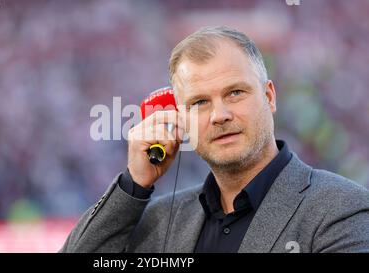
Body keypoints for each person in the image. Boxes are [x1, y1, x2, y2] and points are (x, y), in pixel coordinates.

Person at [60, 26, 369, 253]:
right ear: (181, 117)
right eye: (199, 102)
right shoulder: (159, 219)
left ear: (269, 96)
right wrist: (134, 185)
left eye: (235, 93)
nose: (219, 115)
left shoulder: (342, 208)